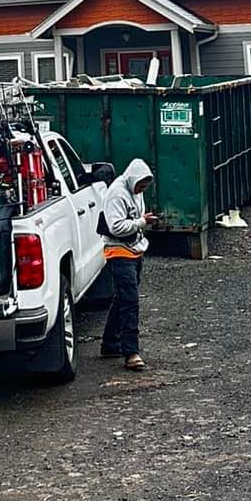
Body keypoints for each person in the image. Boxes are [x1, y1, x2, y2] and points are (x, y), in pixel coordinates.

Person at [98, 158, 153, 370]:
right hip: (118, 250)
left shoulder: (135, 190)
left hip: (134, 248)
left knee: (123, 298)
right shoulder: (117, 194)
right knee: (130, 301)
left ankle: (110, 343)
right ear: (132, 179)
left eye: (145, 186)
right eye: (140, 185)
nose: (142, 189)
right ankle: (131, 352)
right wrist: (141, 222)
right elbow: (116, 227)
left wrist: (141, 222)